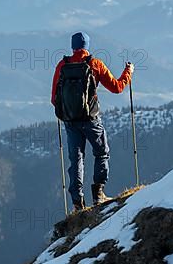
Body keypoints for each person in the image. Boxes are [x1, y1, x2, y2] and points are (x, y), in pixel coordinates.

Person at [52, 32, 134, 212]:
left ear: (72, 46)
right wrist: (128, 72)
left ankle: (77, 203)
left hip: (71, 121)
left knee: (76, 159)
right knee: (101, 153)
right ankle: (98, 194)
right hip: (91, 119)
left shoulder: (62, 66)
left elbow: (54, 98)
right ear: (87, 46)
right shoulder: (95, 64)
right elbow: (117, 87)